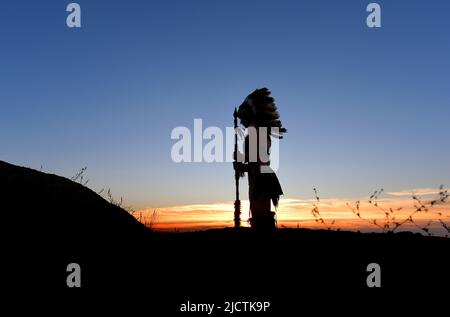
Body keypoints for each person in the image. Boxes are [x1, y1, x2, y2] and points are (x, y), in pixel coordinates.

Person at [233, 88, 287, 231]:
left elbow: (256, 163)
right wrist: (241, 160)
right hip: (262, 180)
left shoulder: (255, 134)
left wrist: (240, 166)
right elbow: (255, 159)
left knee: (260, 219)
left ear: (249, 116)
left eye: (242, 118)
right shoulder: (258, 132)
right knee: (260, 216)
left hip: (260, 181)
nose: (241, 122)